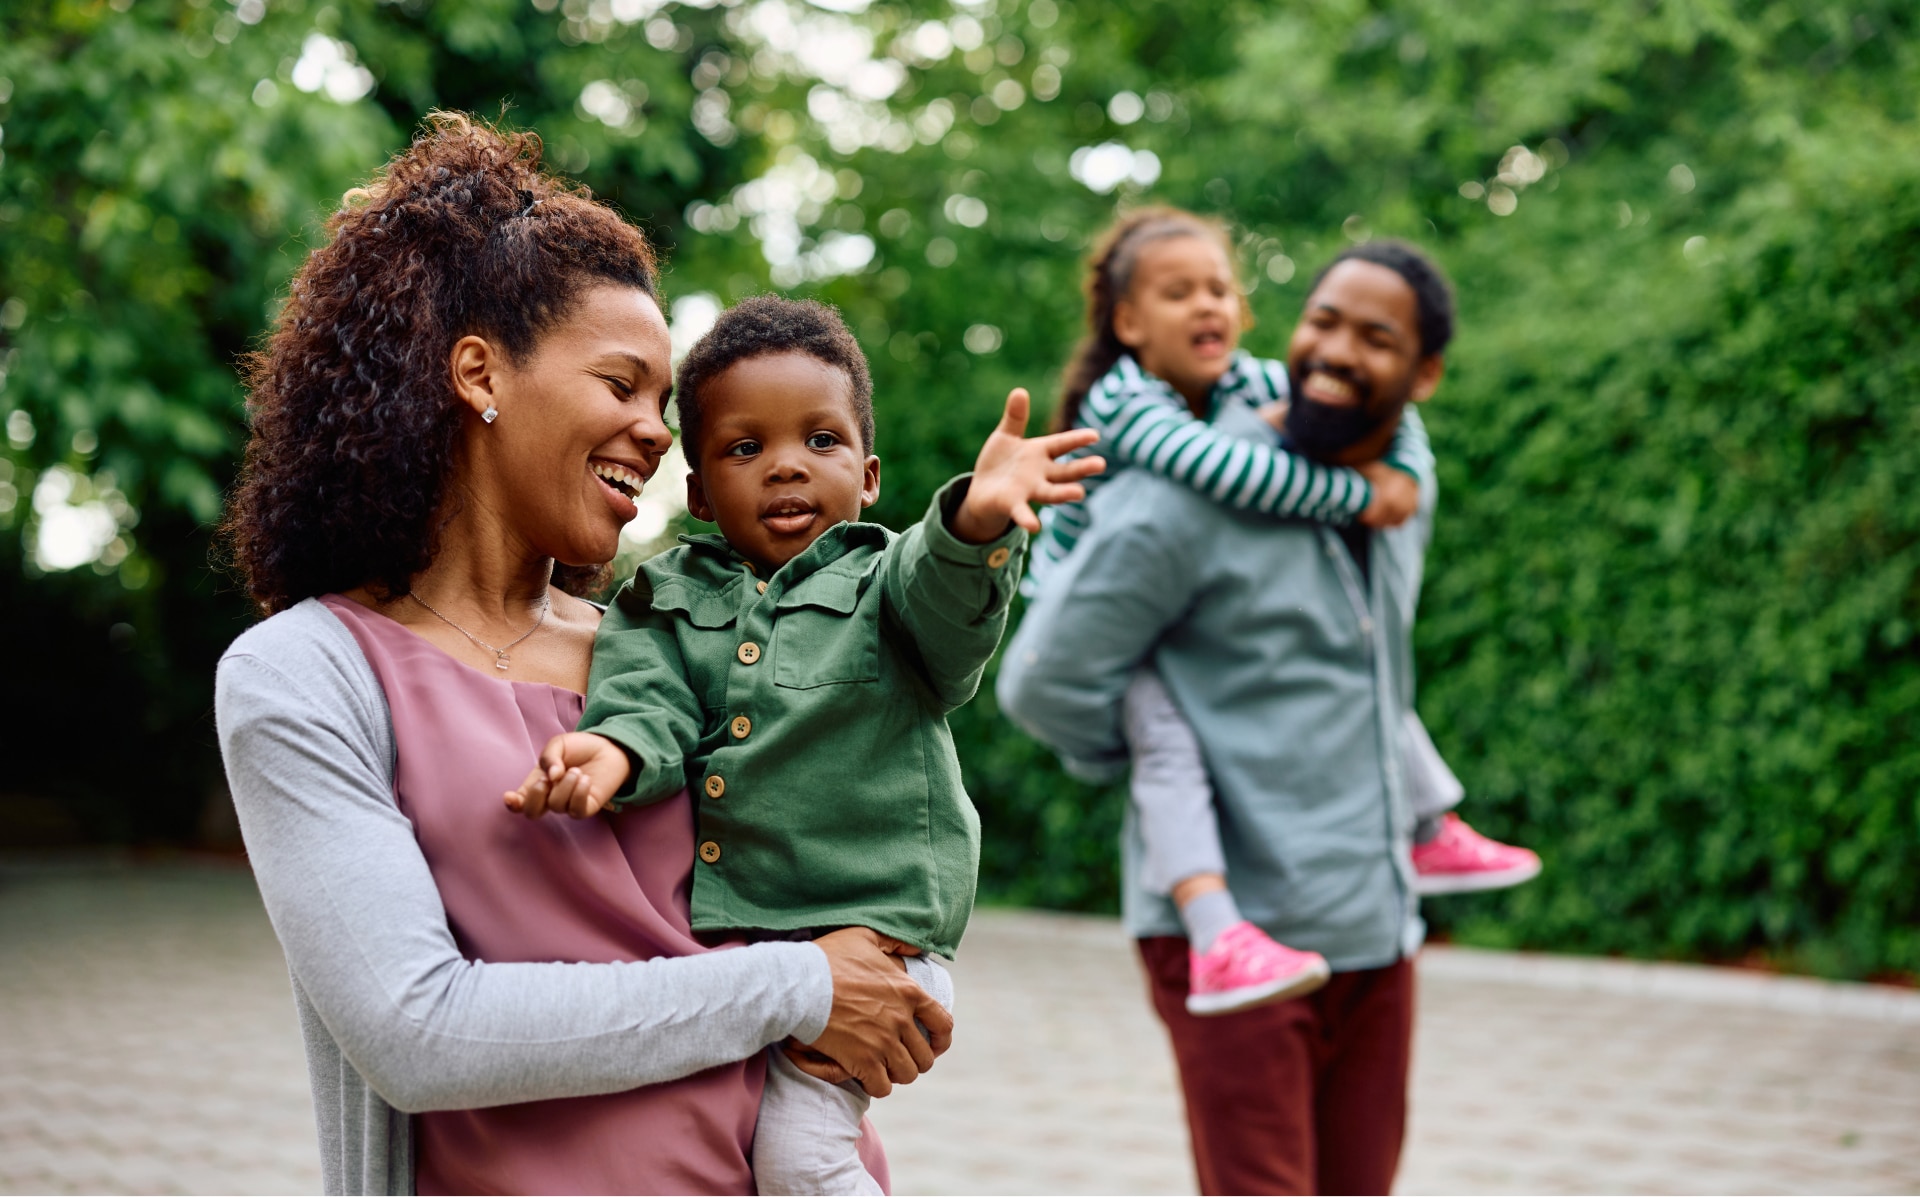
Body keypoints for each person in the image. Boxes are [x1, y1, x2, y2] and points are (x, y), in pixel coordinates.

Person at [214, 114, 948, 1195]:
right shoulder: (305, 675)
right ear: (479, 375)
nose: (658, 432)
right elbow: (421, 1033)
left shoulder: (677, 651)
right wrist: (798, 985)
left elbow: (867, 857)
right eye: (622, 385)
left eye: (666, 404)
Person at [504, 295, 1103, 1195]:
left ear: (866, 475)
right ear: (700, 490)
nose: (786, 467)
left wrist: (975, 523)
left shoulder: (884, 584)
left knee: (799, 1159)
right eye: (747, 448)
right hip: (760, 953)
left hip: (879, 945)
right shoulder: (662, 599)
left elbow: (943, 597)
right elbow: (645, 699)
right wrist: (612, 754)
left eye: (819, 441)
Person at [998, 239, 1478, 1194]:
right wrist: (1156, 750)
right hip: (1236, 934)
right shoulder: (1181, 496)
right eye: (1325, 320)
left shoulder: (1399, 497)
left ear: (1423, 375)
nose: (1335, 350)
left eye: (1374, 338)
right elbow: (1042, 683)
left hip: (1376, 928)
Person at [1025, 207, 1538, 1017]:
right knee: (1169, 745)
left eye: (1220, 288)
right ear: (1128, 322)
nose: (1207, 306)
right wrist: (1362, 492)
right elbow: (1236, 474)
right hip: (1086, 608)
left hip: (1351, 898)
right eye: (1177, 292)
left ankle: (1427, 821)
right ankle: (1214, 926)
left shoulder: (1247, 381)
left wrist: (1408, 463)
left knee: (1355, 656)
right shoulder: (1125, 403)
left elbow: (1387, 423)